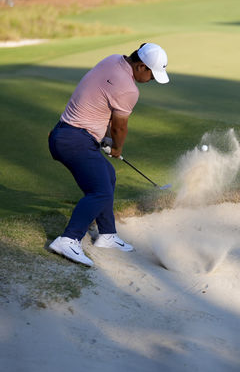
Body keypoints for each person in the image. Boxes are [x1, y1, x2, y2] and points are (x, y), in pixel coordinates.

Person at [48, 43, 170, 266]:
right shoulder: (129, 89)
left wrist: (101, 138)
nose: (152, 80)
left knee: (108, 176)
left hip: (64, 134)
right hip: (75, 140)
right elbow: (118, 128)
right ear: (141, 66)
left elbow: (98, 104)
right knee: (100, 191)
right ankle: (68, 239)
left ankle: (107, 235)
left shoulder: (112, 60)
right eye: (152, 74)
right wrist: (116, 148)